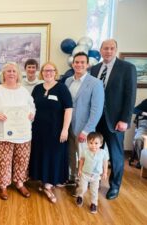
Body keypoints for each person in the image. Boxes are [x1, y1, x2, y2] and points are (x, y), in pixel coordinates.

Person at [91, 39, 137, 200]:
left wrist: (125, 119)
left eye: (112, 48)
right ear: (101, 50)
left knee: (116, 155)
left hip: (116, 121)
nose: (108, 51)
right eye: (105, 48)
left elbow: (130, 96)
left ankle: (114, 186)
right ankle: (94, 181)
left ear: (116, 50)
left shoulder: (127, 68)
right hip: (96, 121)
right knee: (95, 153)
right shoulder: (95, 69)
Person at [0, 62, 35, 200]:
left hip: (22, 134)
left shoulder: (24, 91)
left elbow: (32, 107)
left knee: (21, 160)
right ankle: (3, 186)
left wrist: (31, 114)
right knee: (3, 161)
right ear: (3, 74)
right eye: (8, 71)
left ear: (18, 74)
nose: (11, 73)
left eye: (14, 71)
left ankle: (19, 183)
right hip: (1, 133)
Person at [29, 62, 73, 203]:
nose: (48, 73)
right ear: (41, 72)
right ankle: (43, 181)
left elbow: (68, 109)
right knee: (41, 154)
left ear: (55, 72)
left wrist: (65, 129)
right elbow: (31, 106)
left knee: (53, 155)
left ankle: (49, 185)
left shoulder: (62, 88)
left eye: (51, 70)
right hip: (38, 130)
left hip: (56, 131)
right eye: (45, 70)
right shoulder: (36, 88)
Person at [65, 52, 104, 190]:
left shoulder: (96, 83)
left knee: (84, 157)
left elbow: (96, 110)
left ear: (87, 65)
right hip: (68, 126)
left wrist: (87, 130)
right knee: (70, 154)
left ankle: (84, 184)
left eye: (82, 62)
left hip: (84, 128)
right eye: (76, 62)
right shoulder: (68, 81)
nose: (79, 64)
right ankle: (72, 178)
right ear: (73, 64)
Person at [75, 132, 109, 214]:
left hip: (96, 176)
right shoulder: (85, 151)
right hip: (85, 174)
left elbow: (105, 162)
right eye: (91, 143)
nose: (93, 145)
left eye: (96, 143)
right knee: (83, 188)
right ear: (87, 143)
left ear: (101, 144)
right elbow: (81, 160)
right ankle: (80, 196)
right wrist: (79, 170)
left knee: (94, 191)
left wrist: (105, 172)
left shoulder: (103, 153)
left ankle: (94, 203)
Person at [132, 99, 147, 168]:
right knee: (138, 140)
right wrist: (144, 113)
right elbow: (134, 110)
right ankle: (142, 161)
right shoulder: (146, 101)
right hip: (145, 126)